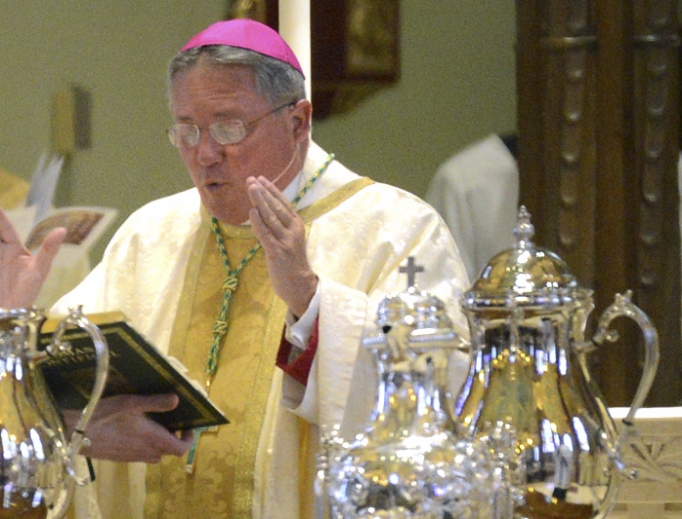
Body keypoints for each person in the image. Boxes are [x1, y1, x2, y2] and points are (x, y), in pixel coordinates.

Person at [0, 19, 470, 519]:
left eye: (229, 128)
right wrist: (14, 333)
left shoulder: (396, 231)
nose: (204, 154)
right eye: (186, 131)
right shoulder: (151, 233)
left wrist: (311, 302)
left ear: (298, 122)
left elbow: (439, 401)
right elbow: (59, 397)